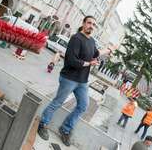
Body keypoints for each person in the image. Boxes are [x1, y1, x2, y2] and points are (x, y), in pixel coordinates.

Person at [37, 16, 116, 146]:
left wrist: (109, 50)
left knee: (83, 106)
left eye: (93, 24)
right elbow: (72, 61)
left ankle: (65, 129)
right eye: (89, 23)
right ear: (83, 23)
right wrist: (89, 63)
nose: (91, 26)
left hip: (82, 81)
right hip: (69, 78)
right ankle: (43, 124)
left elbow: (96, 53)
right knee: (57, 102)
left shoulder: (91, 41)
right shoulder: (76, 38)